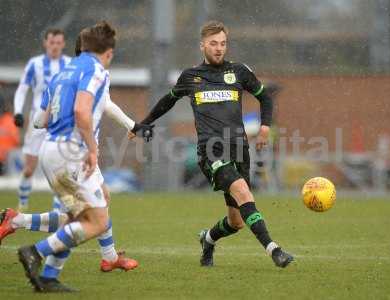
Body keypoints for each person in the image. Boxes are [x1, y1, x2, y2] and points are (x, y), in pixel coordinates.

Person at [140, 21, 293, 268]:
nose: (219, 48)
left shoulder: (239, 72)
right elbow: (167, 101)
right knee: (244, 193)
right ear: (202, 45)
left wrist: (265, 127)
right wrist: (145, 123)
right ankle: (274, 250)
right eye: (213, 43)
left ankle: (208, 240)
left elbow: (264, 97)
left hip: (239, 149)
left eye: (223, 43)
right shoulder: (191, 77)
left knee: (236, 221)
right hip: (211, 152)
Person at [15, 21, 151, 293]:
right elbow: (81, 110)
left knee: (77, 217)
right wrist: (91, 148)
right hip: (71, 153)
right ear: (109, 52)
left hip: (50, 150)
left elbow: (41, 120)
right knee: (97, 221)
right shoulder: (97, 71)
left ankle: (50, 276)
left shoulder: (64, 72)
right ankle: (36, 251)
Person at [13, 28, 71, 212]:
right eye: (51, 42)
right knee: (29, 168)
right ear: (46, 43)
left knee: (59, 166)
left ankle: (56, 210)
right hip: (37, 121)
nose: (55, 46)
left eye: (58, 43)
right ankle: (22, 203)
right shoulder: (35, 64)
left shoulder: (70, 64)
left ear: (63, 44)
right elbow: (22, 88)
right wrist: (18, 112)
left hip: (60, 122)